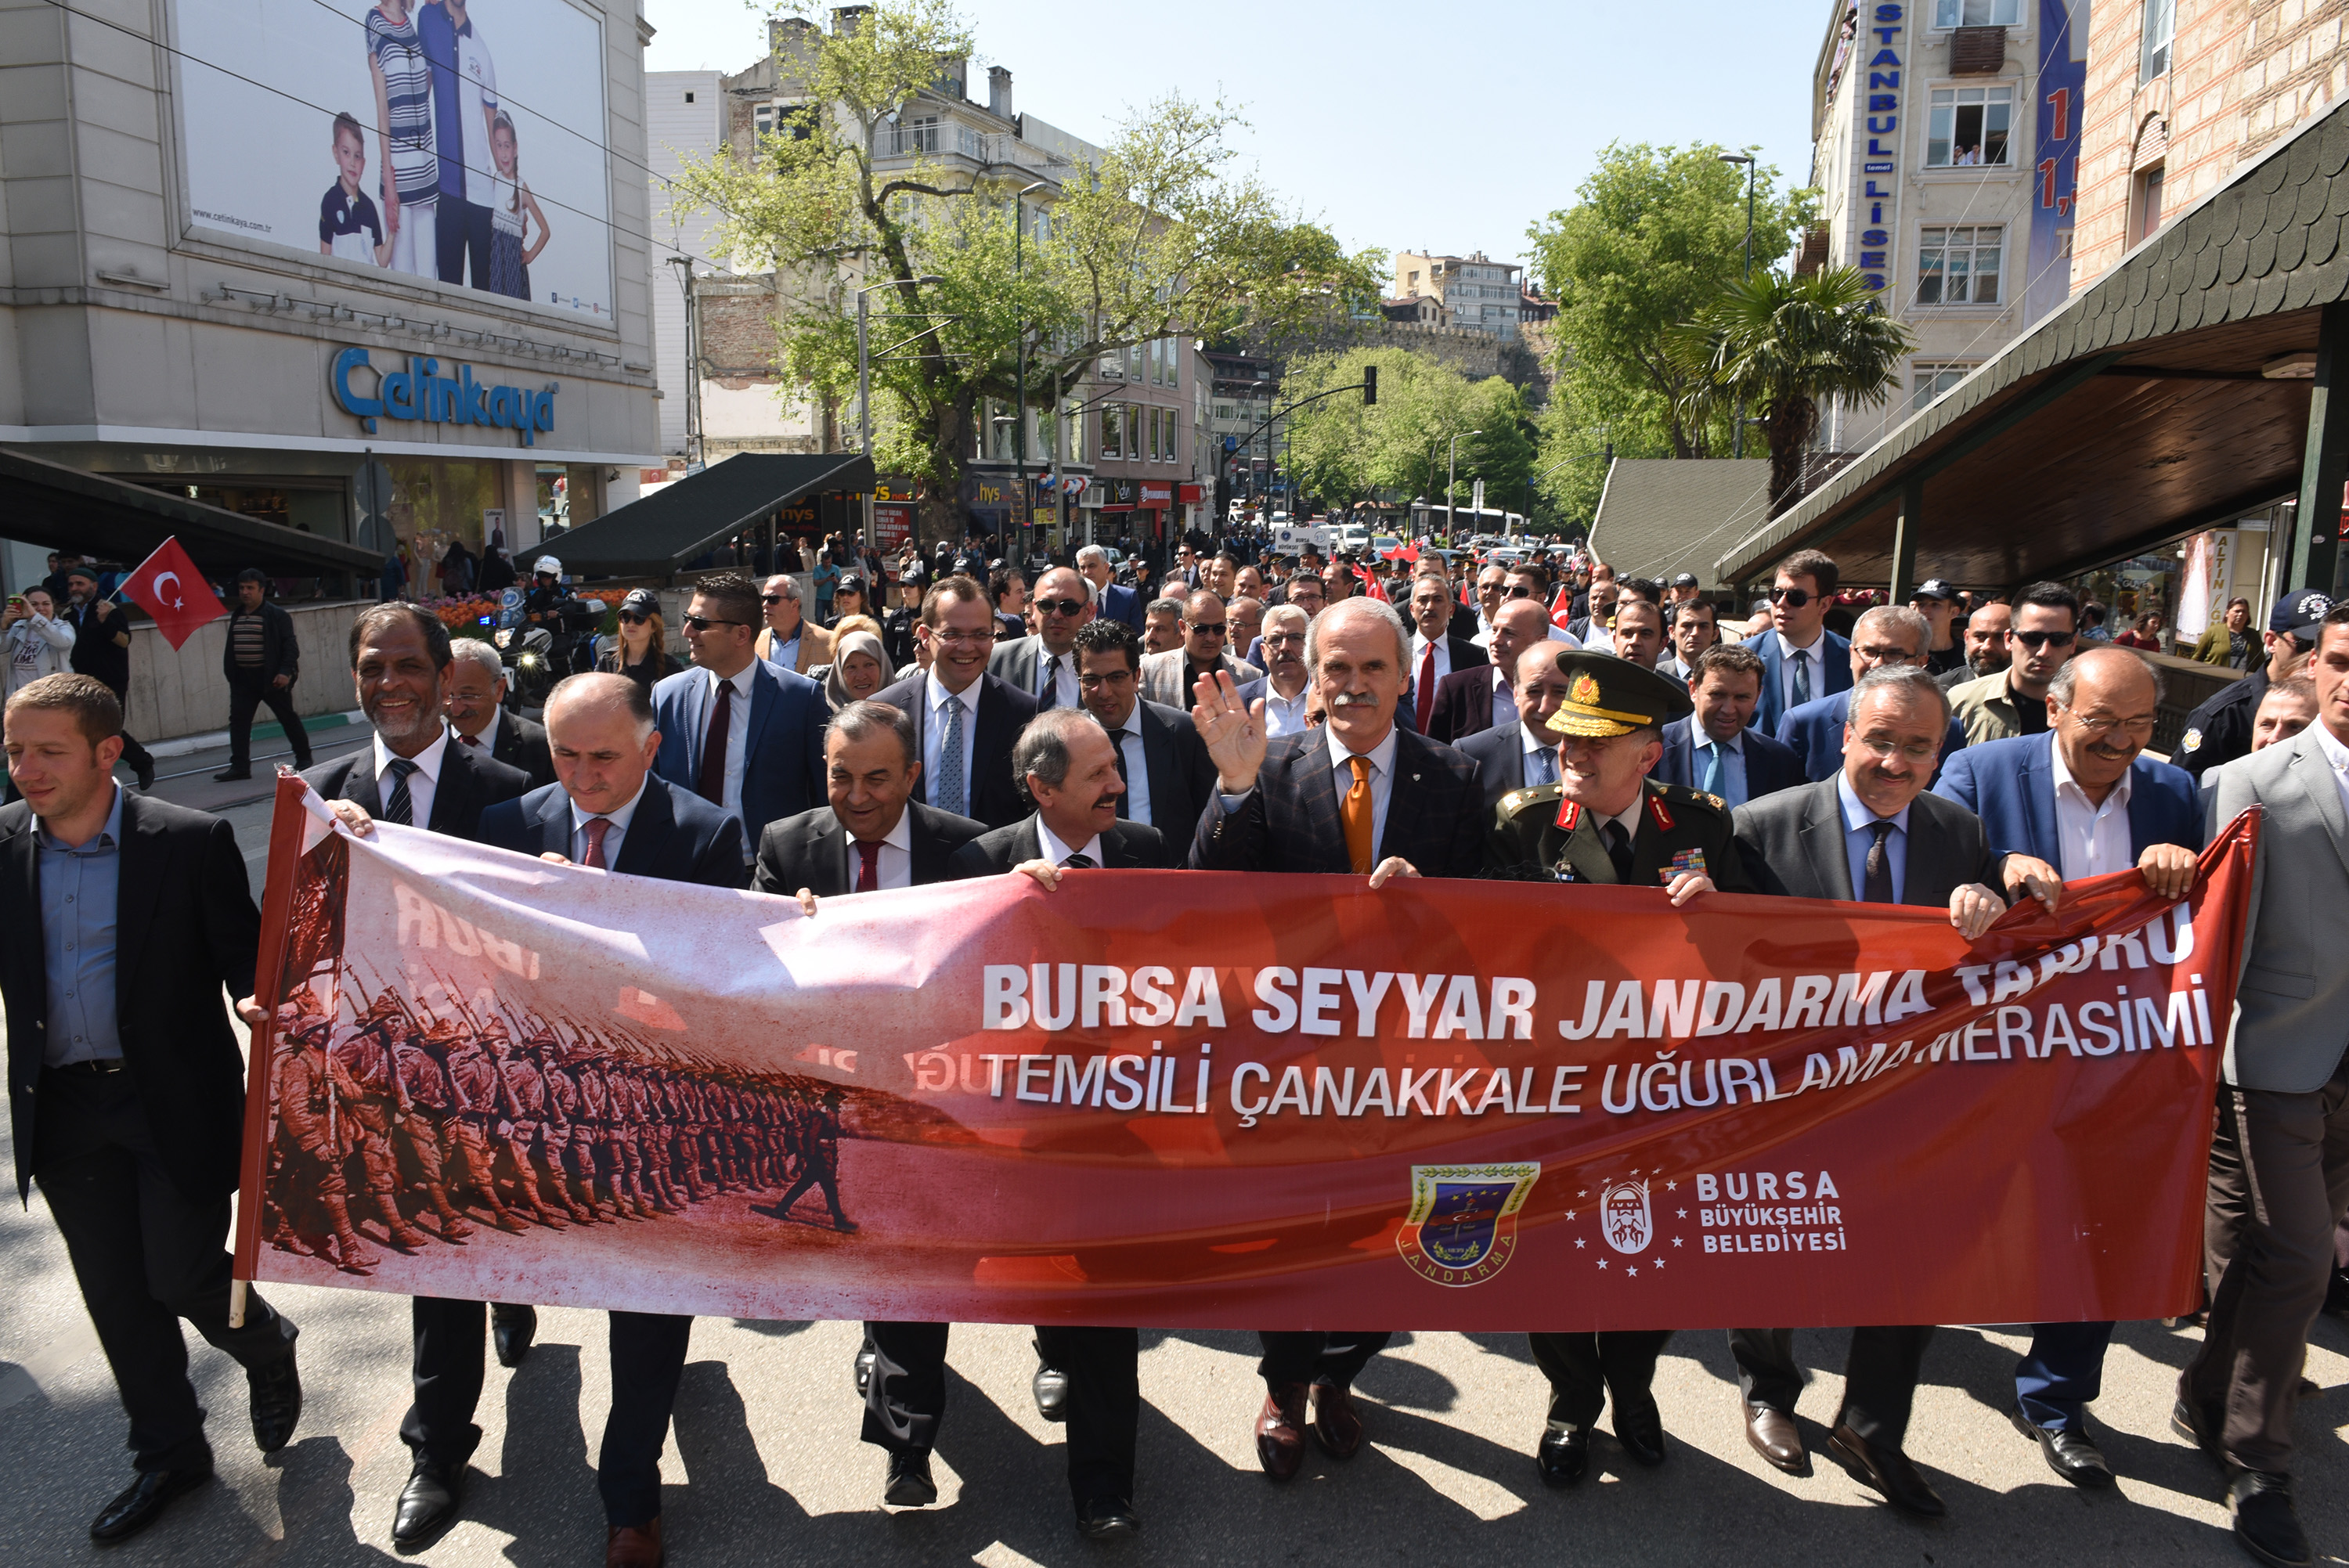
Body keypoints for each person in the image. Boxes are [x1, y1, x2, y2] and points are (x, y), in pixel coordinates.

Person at [2, 673, 303, 1545]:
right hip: (63, 1106)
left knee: (179, 1273)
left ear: (107, 751)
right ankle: (169, 1454)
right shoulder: (4, 842)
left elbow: (243, 955)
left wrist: (253, 997)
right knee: (117, 1294)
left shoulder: (188, 840)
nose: (26, 769)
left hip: (168, 1099)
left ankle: (264, 1342)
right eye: (14, 750)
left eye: (48, 750)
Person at [1187, 596, 1482, 1479]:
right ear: (1313, 678)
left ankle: (1340, 1375)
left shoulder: (1454, 776)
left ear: (1403, 676)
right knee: (1292, 1233)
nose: (1354, 685)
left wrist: (1434, 899)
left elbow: (1494, 917)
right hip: (1292, 1063)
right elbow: (1211, 887)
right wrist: (1233, 788)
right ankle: (1284, 1383)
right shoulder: (1269, 765)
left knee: (1382, 1235)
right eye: (1337, 669)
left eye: (1373, 668)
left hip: (1406, 1066)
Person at [1726, 664, 2012, 1519]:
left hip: (1909, 1096)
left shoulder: (1959, 830)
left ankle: (1872, 1426)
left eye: (1917, 747)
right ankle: (1769, 1391)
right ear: (1847, 735)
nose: (1895, 762)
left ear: (1939, 753)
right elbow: (1718, 963)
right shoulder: (1759, 825)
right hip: (1790, 1090)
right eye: (1880, 740)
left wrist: (1990, 892)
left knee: (1914, 1256)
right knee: (1774, 1244)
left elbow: (1994, 936)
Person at [474, 672, 742, 1567]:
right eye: (564, 754)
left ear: (651, 747)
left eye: (604, 756)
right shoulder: (507, 827)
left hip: (652, 1112)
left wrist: (591, 921)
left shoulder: (706, 834)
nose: (583, 776)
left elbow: (713, 985)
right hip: (538, 1106)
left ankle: (632, 1500)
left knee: (647, 1306)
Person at [1927, 648, 2200, 1488]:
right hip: (1989, 1049)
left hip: (2115, 1048)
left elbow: (2202, 918)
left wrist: (2185, 869)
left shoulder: (2174, 792)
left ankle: (2056, 1399)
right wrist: (1991, 871)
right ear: (2054, 709)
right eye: (2102, 722)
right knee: (1939, 1213)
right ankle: (1885, 1380)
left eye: (2140, 724)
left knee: (2099, 1219)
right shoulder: (1979, 772)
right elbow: (1925, 875)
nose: (2121, 742)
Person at [296, 601, 531, 1550]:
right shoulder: (317, 798)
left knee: (471, 1242)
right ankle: (441, 1439)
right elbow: (298, 939)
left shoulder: (511, 793)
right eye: (371, 666)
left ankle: (454, 1410)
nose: (389, 683)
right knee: (431, 1256)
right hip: (375, 1079)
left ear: (444, 679)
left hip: (481, 1074)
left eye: (407, 666)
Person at [1478, 654, 1744, 1486]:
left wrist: (1721, 914)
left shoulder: (1701, 825)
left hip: (1662, 1091)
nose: (1572, 753)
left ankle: (1632, 1386)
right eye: (1567, 737)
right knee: (1551, 1253)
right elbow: (1476, 950)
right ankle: (1572, 1398)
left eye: (1596, 742)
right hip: (1553, 1088)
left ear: (1649, 755)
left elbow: (1773, 950)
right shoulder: (1525, 823)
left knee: (1652, 1251)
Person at [752, 702, 984, 1512]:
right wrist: (788, 932)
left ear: (913, 775)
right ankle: (892, 1381)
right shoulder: (787, 845)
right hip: (827, 1091)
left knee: (912, 1257)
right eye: (840, 776)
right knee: (870, 1248)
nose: (857, 796)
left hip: (928, 1088)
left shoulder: (966, 849)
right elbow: (748, 964)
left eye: (878, 778)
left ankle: (907, 1442)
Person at [2183, 600, 2349, 1568]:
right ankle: (2257, 1460)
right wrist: (2204, 1063)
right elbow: (2224, 935)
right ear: (2313, 663)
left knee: (2265, 1249)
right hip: (2276, 1057)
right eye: (2342, 659)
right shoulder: (2249, 780)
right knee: (2300, 1257)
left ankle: (2207, 1392)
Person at [871, 577, 1041, 830]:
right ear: (925, 636)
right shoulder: (885, 710)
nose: (967, 647)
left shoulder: (1023, 713)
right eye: (952, 634)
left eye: (980, 634)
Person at [1776, 606, 1968, 782]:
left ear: (1921, 662)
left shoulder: (1949, 729)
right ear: (1852, 654)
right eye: (1869, 651)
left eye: (1894, 654)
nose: (1877, 664)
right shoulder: (1804, 723)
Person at [1071, 618, 1217, 845]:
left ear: (1136, 677)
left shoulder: (1184, 733)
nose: (1104, 692)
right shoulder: (1067, 743)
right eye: (1091, 679)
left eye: (1116, 677)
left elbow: (1209, 820)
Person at [2178, 589, 2333, 780]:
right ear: (2272, 642)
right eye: (2305, 645)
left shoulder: (2337, 708)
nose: (2314, 656)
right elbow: (2183, 786)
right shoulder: (2223, 715)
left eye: (2326, 646)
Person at [1654, 643, 1803, 806]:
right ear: (1693, 690)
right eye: (1717, 694)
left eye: (1742, 697)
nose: (1728, 709)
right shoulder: (1652, 748)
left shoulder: (1780, 761)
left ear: (1757, 696)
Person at [417, 0, 499, 290]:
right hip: (448, 191)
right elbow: (422, 89)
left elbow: (494, 129)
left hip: (482, 200)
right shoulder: (429, 18)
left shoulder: (481, 50)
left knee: (484, 298)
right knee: (448, 293)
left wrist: (509, 192)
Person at [1948, 582, 2081, 746]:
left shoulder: (2088, 709)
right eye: (2032, 638)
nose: (2044, 651)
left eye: (2059, 639)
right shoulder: (1961, 702)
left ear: (2073, 643)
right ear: (2009, 639)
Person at [60, 564, 153, 790]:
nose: (75, 588)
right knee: (86, 728)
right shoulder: (67, 615)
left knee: (109, 728)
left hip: (111, 680)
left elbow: (124, 641)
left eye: (80, 584)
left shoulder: (109, 610)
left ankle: (142, 762)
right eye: (71, 584)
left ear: (93, 586)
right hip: (80, 682)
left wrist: (106, 622)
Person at [215, 569, 312, 782]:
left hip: (271, 679)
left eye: (250, 588)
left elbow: (290, 646)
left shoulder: (277, 615)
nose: (245, 592)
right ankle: (240, 766)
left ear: (261, 590)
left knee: (287, 717)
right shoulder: (238, 614)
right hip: (243, 680)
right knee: (239, 722)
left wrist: (284, 672)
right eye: (242, 588)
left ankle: (304, 758)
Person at [366, 0, 438, 278]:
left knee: (430, 279)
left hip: (425, 170)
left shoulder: (411, 23)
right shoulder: (374, 20)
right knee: (404, 278)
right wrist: (389, 180)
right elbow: (382, 108)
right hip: (400, 171)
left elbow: (423, 84)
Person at [1459, 642, 1576, 814]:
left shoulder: (1602, 755)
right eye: (1534, 691)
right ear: (1516, 694)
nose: (1545, 707)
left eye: (1560, 692)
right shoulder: (1472, 754)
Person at [1744, 549, 1850, 734]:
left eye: (1796, 597)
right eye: (1776, 594)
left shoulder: (1852, 660)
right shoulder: (1742, 658)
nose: (1781, 603)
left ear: (1825, 604)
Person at [1427, 597, 1549, 744]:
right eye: (1494, 630)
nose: (1495, 641)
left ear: (1539, 641)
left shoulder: (1562, 690)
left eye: (1509, 633)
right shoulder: (1456, 688)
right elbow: (1434, 751)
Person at [442, 637, 554, 787]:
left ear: (499, 689)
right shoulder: (426, 746)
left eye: (469, 696)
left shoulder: (542, 747)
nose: (456, 710)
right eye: (446, 695)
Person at [989, 566, 1095, 708]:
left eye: (1069, 607)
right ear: (1033, 608)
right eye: (1046, 605)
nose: (1056, 615)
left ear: (1089, 611)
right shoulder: (997, 660)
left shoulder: (1104, 666)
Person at [1138, 590, 1261, 708]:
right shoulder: (1150, 670)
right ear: (1183, 628)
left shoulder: (1250, 676)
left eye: (1218, 629)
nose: (1210, 638)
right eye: (1201, 629)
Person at [1405, 570, 1487, 733]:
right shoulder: (1395, 653)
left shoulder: (1474, 656)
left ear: (1451, 610)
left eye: (1438, 600)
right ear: (1412, 609)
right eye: (1423, 600)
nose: (1430, 607)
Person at [483, 111, 547, 300]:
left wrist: (530, 255)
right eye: (499, 146)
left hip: (513, 264)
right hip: (495, 261)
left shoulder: (521, 187)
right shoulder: (494, 180)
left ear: (515, 148)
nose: (503, 153)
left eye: (507, 146)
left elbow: (545, 231)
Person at [319, 112, 389, 265]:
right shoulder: (330, 200)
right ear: (336, 153)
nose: (352, 163)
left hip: (366, 280)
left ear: (363, 163)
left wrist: (393, 231)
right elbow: (324, 257)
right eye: (346, 153)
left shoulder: (369, 207)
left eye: (357, 156)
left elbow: (382, 261)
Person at [596, 589, 681, 692]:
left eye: (639, 618)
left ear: (654, 626)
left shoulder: (671, 668)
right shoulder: (607, 661)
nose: (631, 624)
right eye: (625, 617)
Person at [754, 573, 834, 676]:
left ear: (794, 604)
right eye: (763, 599)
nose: (765, 605)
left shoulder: (827, 642)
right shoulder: (755, 642)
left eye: (773, 600)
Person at [1254, 604, 1315, 737]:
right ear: (1263, 651)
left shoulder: (1329, 697)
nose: (1284, 647)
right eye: (1275, 639)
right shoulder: (1241, 701)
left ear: (1309, 645)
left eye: (1295, 638)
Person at [4, 584, 74, 696]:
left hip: (52, 696)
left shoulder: (63, 627)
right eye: (33, 604)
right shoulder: (19, 627)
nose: (40, 608)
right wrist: (3, 626)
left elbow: (63, 643)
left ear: (53, 605)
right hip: (21, 698)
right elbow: (2, 649)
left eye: (46, 604)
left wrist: (34, 617)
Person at [1939, 599, 2014, 692]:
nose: (1987, 647)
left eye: (2000, 638)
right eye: (1980, 637)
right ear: (1967, 637)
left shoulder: (2029, 691)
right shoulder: (1939, 689)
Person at [820, 629, 891, 712]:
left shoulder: (903, 707)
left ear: (883, 667)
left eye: (869, 665)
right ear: (839, 672)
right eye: (851, 667)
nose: (861, 677)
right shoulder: (822, 713)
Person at [1907, 579, 1965, 675]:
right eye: (1921, 605)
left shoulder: (1968, 653)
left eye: (1935, 604)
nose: (1925, 610)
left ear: (1954, 612)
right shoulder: (1906, 652)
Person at [1656, 596, 1720, 682]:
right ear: (1672, 632)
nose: (1695, 633)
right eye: (1687, 626)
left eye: (1703, 626)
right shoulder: (1655, 676)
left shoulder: (1727, 679)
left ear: (1715, 633)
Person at [2196, 596, 2256, 669]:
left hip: (2243, 676)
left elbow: (2260, 663)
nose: (2241, 614)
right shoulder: (2213, 631)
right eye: (2237, 611)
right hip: (2215, 675)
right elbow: (2197, 659)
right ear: (2227, 613)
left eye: (2244, 611)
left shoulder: (2254, 636)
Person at [1609, 598, 1665, 671]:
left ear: (1662, 644)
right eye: (1627, 633)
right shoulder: (1596, 678)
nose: (1634, 642)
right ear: (1615, 640)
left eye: (1645, 634)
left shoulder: (1671, 679)